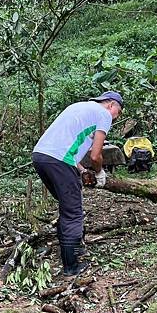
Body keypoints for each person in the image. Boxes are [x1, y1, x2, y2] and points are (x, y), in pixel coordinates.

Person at [32, 91, 123, 276]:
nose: (116, 116)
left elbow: (67, 147)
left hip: (40, 156)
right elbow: (96, 155)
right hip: (59, 161)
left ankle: (75, 248)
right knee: (73, 213)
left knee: (68, 207)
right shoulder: (104, 114)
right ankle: (71, 266)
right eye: (118, 112)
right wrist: (99, 172)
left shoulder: (79, 107)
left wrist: (82, 171)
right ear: (111, 105)